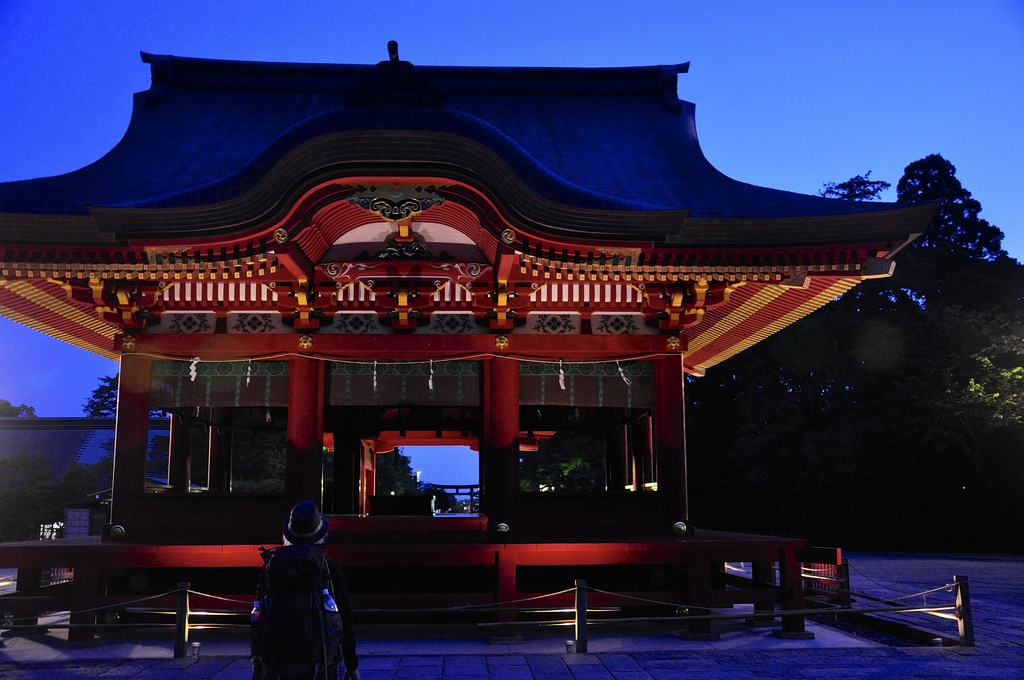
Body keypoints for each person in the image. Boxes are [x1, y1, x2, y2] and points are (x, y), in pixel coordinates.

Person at [252, 501, 359, 680]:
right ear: (321, 533)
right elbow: (345, 619)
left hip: (276, 661)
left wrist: (257, 662)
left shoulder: (272, 565)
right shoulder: (329, 569)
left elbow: (258, 616)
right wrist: (351, 665)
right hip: (321, 662)